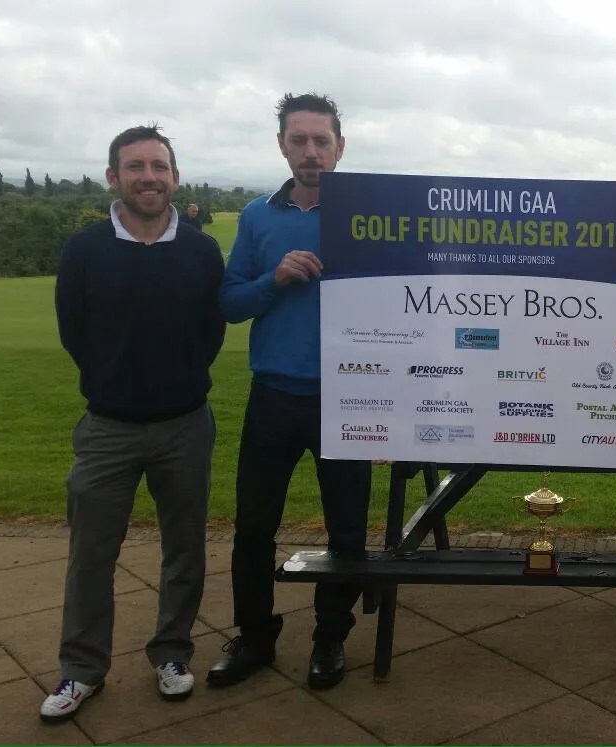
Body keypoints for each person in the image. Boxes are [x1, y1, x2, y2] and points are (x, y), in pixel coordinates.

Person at [43, 125, 225, 722]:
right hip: (107, 429)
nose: (149, 177)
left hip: (185, 425)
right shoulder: (84, 249)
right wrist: (114, 381)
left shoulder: (201, 250)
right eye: (135, 167)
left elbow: (209, 333)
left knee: (184, 550)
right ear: (113, 177)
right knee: (91, 555)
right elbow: (74, 332)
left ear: (175, 176)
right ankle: (81, 669)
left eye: (159, 166)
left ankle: (171, 654)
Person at [207, 92, 371, 691]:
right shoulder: (258, 216)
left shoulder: (367, 220)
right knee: (254, 528)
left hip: (348, 397)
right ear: (282, 146)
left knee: (347, 531)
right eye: (298, 140)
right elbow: (229, 302)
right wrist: (273, 280)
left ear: (340, 147)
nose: (310, 152)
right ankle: (255, 637)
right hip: (273, 395)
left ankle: (331, 636)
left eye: (321, 141)